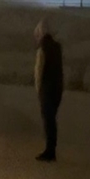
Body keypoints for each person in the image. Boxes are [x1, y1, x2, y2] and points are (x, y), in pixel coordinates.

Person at [34, 20, 63, 161]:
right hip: (58, 88)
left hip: (47, 89)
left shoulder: (42, 50)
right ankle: (52, 148)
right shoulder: (57, 47)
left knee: (48, 120)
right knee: (52, 120)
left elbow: (39, 72)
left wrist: (38, 89)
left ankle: (49, 151)